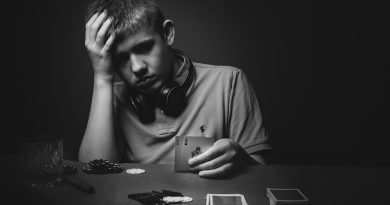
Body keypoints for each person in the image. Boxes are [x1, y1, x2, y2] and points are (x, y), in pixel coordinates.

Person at [79, 0, 271, 178]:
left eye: (144, 48)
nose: (137, 67)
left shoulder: (229, 81)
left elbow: (262, 176)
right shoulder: (111, 98)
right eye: (121, 59)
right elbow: (94, 176)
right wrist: (102, 78)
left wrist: (240, 159)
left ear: (168, 33)